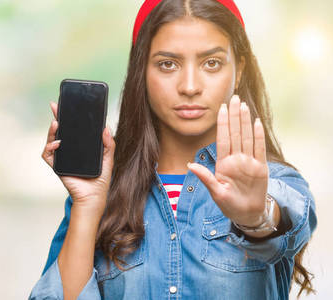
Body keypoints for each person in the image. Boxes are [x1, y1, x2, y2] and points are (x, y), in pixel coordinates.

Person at [30, 0, 317, 299]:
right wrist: (88, 206)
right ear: (142, 71)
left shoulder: (275, 183)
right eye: (168, 64)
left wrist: (257, 217)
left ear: (240, 70)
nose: (190, 86)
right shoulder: (103, 192)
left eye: (211, 63)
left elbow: (291, 220)